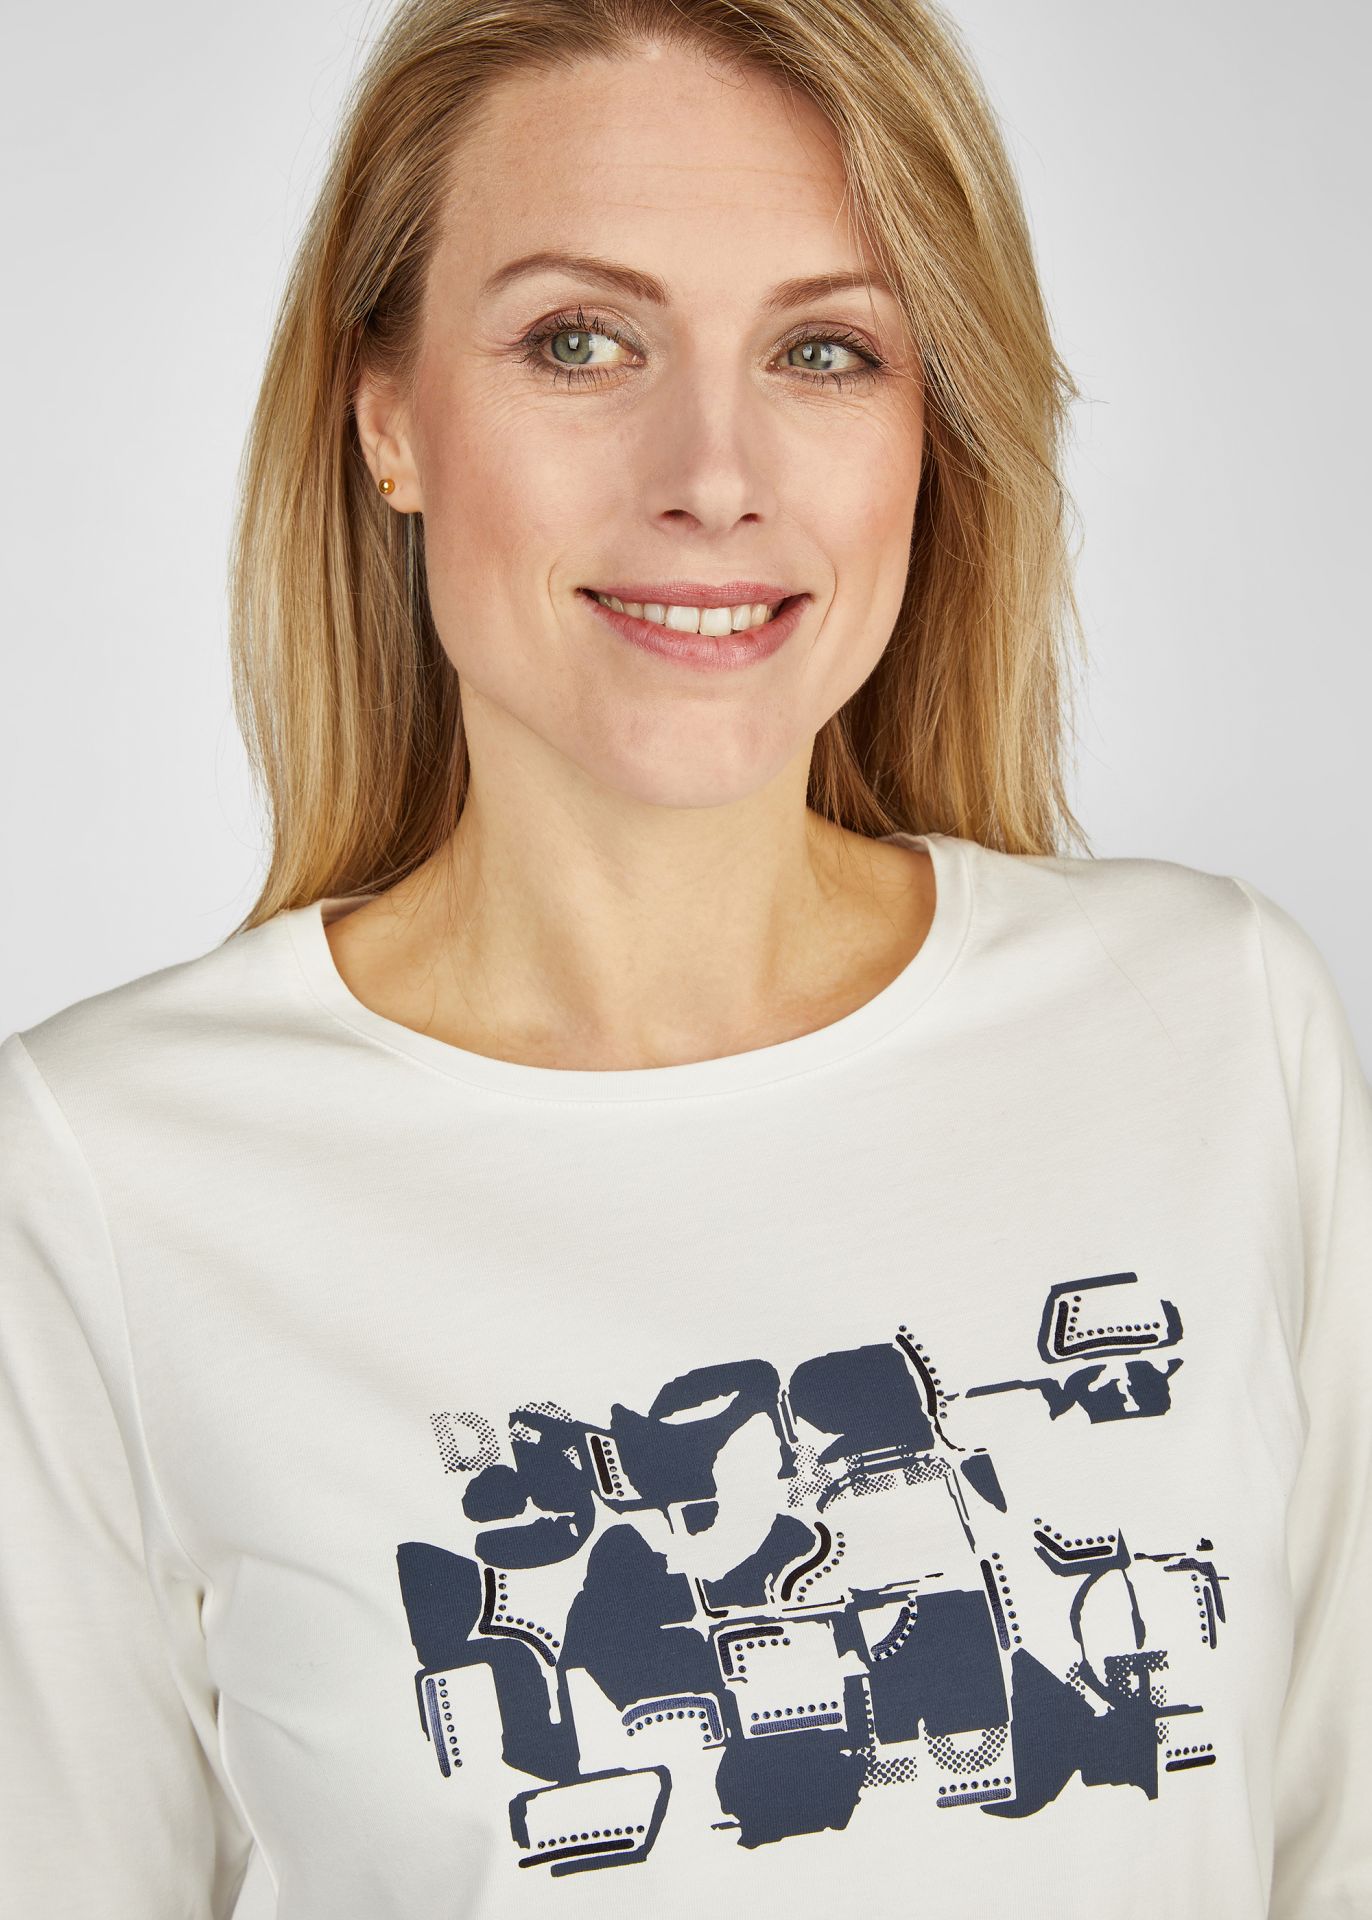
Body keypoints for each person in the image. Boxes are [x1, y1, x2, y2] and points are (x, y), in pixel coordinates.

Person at [2, 1, 1367, 1915]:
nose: (712, 473)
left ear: (928, 428)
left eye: (825, 350)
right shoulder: (104, 1174)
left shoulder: (1210, 1024)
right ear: (386, 417)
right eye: (582, 341)